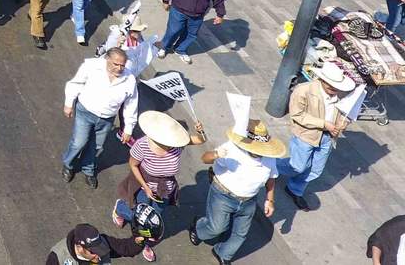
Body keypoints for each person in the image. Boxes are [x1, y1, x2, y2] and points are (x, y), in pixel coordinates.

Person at [112, 110, 206, 263]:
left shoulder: (177, 144)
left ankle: (146, 242)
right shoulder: (142, 145)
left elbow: (200, 140)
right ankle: (120, 208)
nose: (171, 145)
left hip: (165, 190)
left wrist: (201, 131)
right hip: (144, 187)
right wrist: (146, 187)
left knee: (154, 220)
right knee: (138, 217)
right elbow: (133, 165)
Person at [191, 116, 285, 264]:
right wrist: (216, 154)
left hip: (249, 200)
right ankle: (198, 228)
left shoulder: (269, 157)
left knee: (240, 233)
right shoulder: (232, 149)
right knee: (216, 228)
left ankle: (223, 253)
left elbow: (271, 178)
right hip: (223, 196)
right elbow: (205, 158)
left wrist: (270, 199)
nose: (259, 152)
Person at [275, 61, 354, 210]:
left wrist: (343, 123)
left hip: (328, 137)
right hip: (306, 135)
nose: (334, 89)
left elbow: (346, 112)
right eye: (331, 85)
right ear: (322, 80)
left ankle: (294, 189)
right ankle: (269, 165)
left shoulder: (339, 93)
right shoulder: (303, 90)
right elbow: (297, 115)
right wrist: (324, 124)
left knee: (315, 169)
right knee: (298, 166)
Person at [62, 47, 138, 189]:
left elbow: (131, 105)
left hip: (106, 119)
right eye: (116, 64)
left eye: (122, 65)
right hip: (85, 112)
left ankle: (88, 169)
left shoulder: (130, 79)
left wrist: (128, 129)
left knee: (96, 146)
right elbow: (76, 83)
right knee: (79, 142)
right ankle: (68, 164)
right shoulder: (92, 66)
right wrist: (68, 103)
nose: (120, 68)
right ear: (107, 59)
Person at [45, 223, 146, 264]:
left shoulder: (102, 242)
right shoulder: (57, 257)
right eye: (94, 252)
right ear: (80, 248)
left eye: (100, 248)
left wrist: (137, 242)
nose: (100, 254)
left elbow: (125, 247)